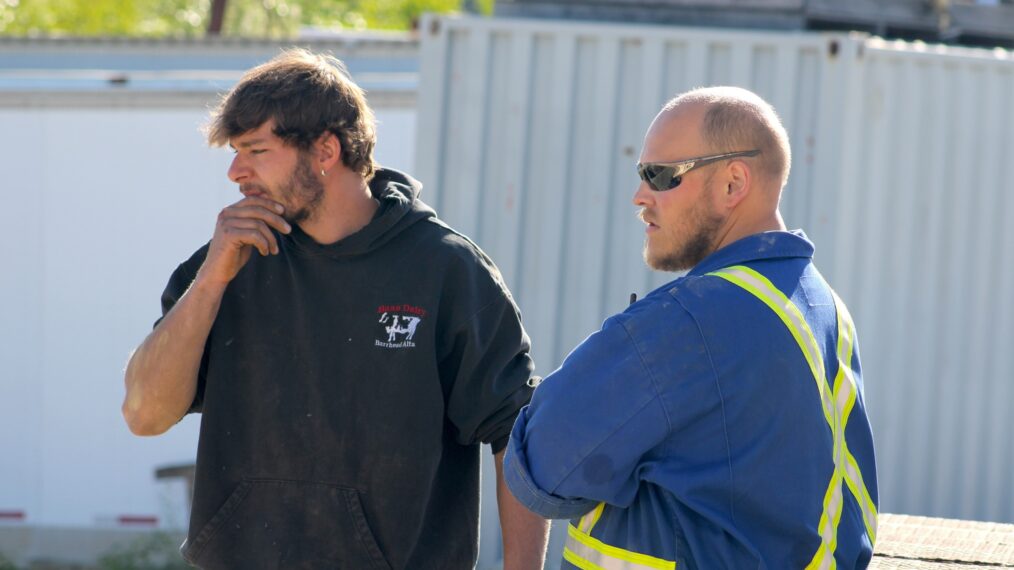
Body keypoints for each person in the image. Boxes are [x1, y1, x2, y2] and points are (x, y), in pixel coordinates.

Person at [122, 49, 549, 569]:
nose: (236, 172)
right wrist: (211, 280)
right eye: (235, 152)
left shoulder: (445, 271)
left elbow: (518, 434)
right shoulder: (225, 263)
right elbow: (144, 414)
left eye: (255, 150)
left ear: (325, 149)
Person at [503, 87, 878, 568]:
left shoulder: (691, 320)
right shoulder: (822, 304)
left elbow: (544, 459)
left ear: (732, 183)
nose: (640, 196)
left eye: (661, 176)